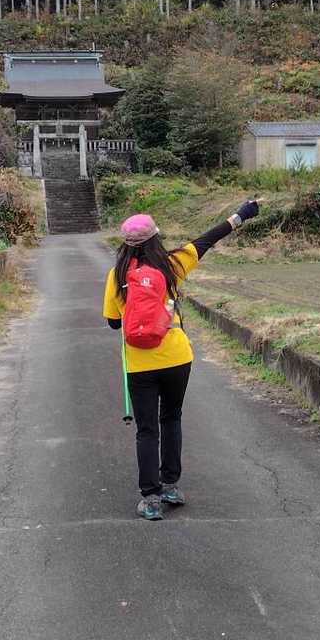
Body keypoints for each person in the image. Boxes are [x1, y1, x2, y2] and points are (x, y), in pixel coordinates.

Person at [103, 201, 261, 519]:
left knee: (147, 430)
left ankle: (150, 498)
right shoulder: (171, 265)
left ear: (126, 244)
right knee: (171, 419)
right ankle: (170, 486)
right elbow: (207, 239)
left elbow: (113, 323)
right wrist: (242, 214)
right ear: (155, 239)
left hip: (140, 364)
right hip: (177, 358)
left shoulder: (117, 276)